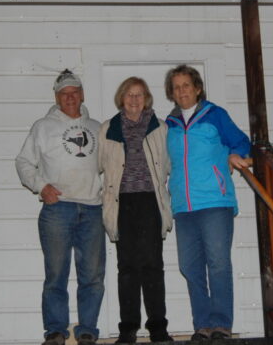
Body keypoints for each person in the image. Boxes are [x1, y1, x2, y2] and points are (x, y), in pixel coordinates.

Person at [15, 70, 105, 345]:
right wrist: (41, 186)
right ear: (56, 97)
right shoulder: (42, 126)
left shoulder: (98, 128)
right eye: (64, 93)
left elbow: (109, 165)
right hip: (58, 210)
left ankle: (87, 330)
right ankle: (55, 331)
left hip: (92, 209)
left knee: (92, 275)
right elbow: (23, 162)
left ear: (82, 95)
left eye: (74, 91)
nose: (70, 97)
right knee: (56, 273)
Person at [163, 65, 251, 341]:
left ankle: (221, 324)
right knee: (190, 267)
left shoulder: (215, 115)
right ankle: (202, 324)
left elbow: (241, 141)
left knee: (218, 264)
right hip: (184, 206)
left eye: (186, 85)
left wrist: (236, 154)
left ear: (197, 88)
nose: (182, 91)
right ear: (172, 93)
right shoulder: (170, 124)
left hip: (214, 202)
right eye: (176, 87)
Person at [98, 77, 173, 344]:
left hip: (150, 202)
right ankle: (128, 329)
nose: (134, 99)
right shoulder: (108, 128)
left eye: (139, 95)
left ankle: (158, 329)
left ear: (147, 98)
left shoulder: (159, 128)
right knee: (127, 268)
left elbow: (167, 165)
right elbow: (99, 165)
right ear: (121, 98)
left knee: (153, 266)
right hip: (123, 204)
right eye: (129, 95)